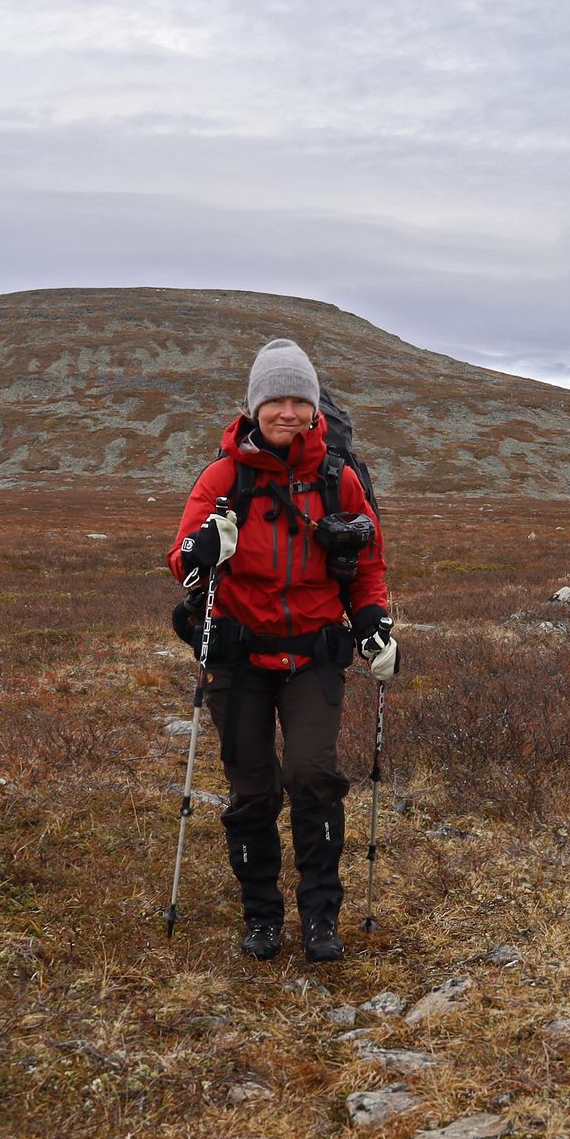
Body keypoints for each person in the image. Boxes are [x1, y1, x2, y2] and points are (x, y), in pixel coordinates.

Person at [169, 338, 395, 962]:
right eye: (276, 400)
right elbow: (181, 557)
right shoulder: (223, 477)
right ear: (254, 406)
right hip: (238, 657)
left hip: (314, 654)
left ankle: (321, 916)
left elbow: (368, 565)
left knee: (312, 775)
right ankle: (262, 916)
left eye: (300, 400)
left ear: (316, 406)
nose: (288, 412)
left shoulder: (339, 478)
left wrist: (374, 621)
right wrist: (202, 552)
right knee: (253, 788)